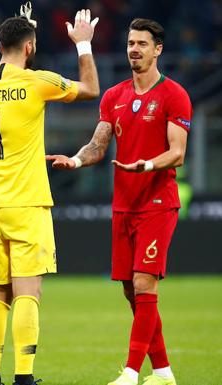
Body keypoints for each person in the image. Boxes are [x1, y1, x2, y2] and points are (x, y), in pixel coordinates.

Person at [46, 18, 191, 385]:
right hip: (123, 205)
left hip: (158, 202)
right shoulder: (114, 96)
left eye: (142, 43)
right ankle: (162, 372)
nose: (135, 50)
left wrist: (145, 164)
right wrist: (76, 160)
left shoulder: (174, 94)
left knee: (144, 285)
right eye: (130, 43)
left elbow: (177, 153)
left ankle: (130, 372)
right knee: (131, 290)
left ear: (157, 49)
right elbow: (99, 145)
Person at [0, 4, 100, 385]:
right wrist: (83, 45)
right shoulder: (37, 82)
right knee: (28, 291)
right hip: (26, 199)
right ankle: (23, 377)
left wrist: (27, 33)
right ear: (30, 48)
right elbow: (90, 89)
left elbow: (8, 83)